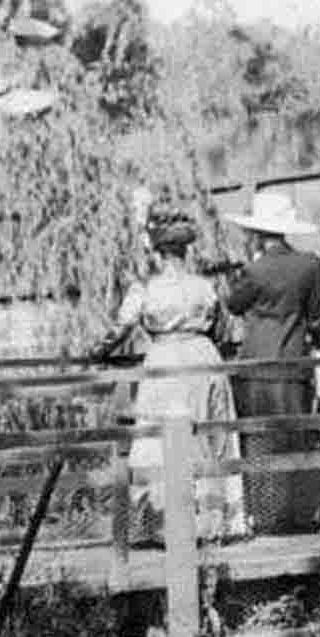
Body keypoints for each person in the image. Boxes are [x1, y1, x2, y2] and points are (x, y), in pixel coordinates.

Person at [98, 201, 245, 544]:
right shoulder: (204, 286)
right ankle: (214, 523)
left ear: (156, 251)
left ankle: (163, 526)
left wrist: (95, 354)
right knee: (210, 437)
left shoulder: (145, 289)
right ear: (184, 248)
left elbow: (119, 330)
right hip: (203, 360)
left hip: (165, 361)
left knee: (159, 440)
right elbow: (223, 331)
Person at [218, 188, 320, 534]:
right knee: (295, 438)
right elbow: (315, 318)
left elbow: (233, 306)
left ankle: (265, 518)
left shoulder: (254, 272)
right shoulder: (310, 266)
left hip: (255, 366)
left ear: (256, 233)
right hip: (294, 363)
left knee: (258, 441)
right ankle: (300, 516)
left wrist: (231, 277)